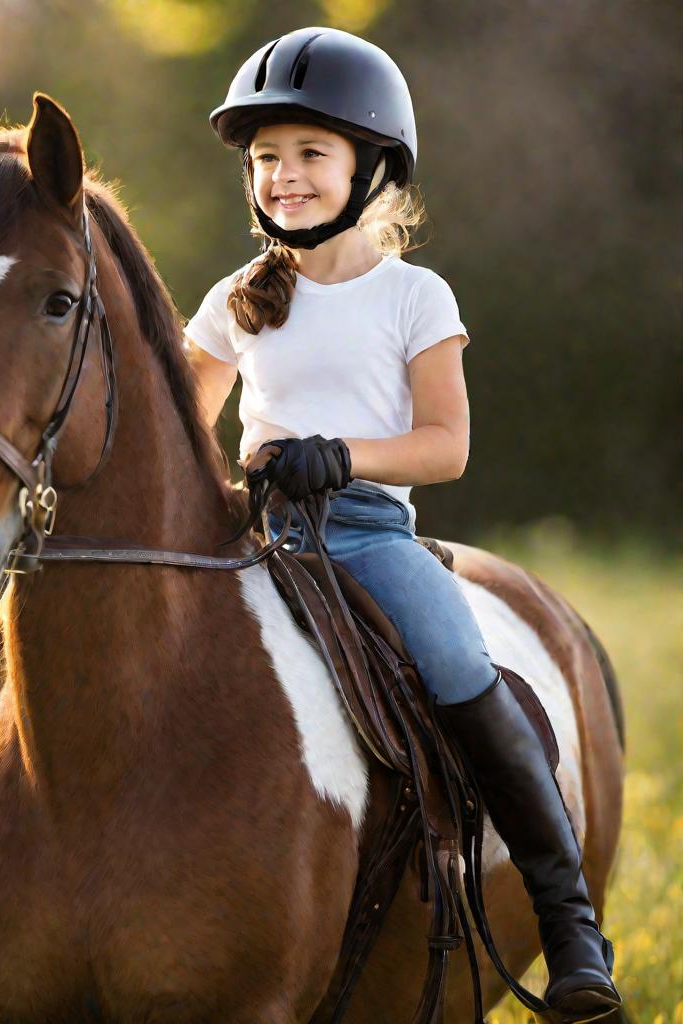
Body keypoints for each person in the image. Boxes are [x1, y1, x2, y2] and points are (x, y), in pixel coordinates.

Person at [184, 27, 621, 1023]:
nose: (281, 178)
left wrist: (338, 454)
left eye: (307, 155)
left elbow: (444, 445)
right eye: (264, 160)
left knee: (461, 672)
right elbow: (179, 426)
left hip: (367, 534)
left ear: (370, 167)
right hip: (251, 534)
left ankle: (569, 927)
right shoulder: (236, 303)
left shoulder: (412, 296)